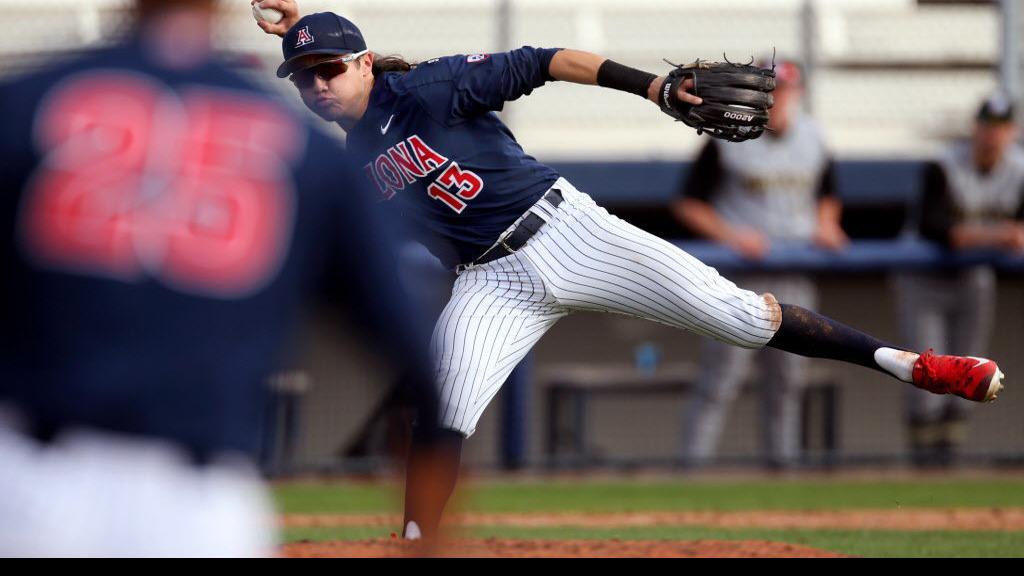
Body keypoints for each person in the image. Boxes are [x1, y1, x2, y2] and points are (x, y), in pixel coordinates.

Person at [253, 0, 1006, 539]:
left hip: (568, 229)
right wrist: (299, 30)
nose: (317, 84)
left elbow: (547, 59)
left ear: (360, 61)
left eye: (328, 68)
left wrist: (649, 86)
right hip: (491, 280)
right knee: (442, 406)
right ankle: (416, 541)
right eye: (303, 75)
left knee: (746, 320)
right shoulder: (343, 159)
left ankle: (916, 366)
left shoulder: (427, 87)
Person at [0, 0, 439, 556]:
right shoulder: (302, 149)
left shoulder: (26, 101)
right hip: (201, 500)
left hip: (32, 481)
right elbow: (404, 340)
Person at [675, 60, 847, 469]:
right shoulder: (726, 134)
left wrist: (827, 223)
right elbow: (688, 203)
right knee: (722, 378)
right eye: (771, 92)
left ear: (798, 93)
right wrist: (731, 236)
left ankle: (781, 469)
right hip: (739, 276)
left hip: (795, 269)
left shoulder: (814, 137)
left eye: (785, 91)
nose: (779, 100)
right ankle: (690, 469)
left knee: (788, 379)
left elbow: (827, 192)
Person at [895, 94, 1024, 467]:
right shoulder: (943, 165)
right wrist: (1001, 235)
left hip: (973, 279)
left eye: (1000, 129)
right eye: (986, 128)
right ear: (975, 129)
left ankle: (947, 465)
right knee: (924, 372)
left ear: (1011, 132)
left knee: (972, 371)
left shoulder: (1018, 169)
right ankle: (922, 465)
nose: (992, 136)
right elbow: (938, 229)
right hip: (923, 278)